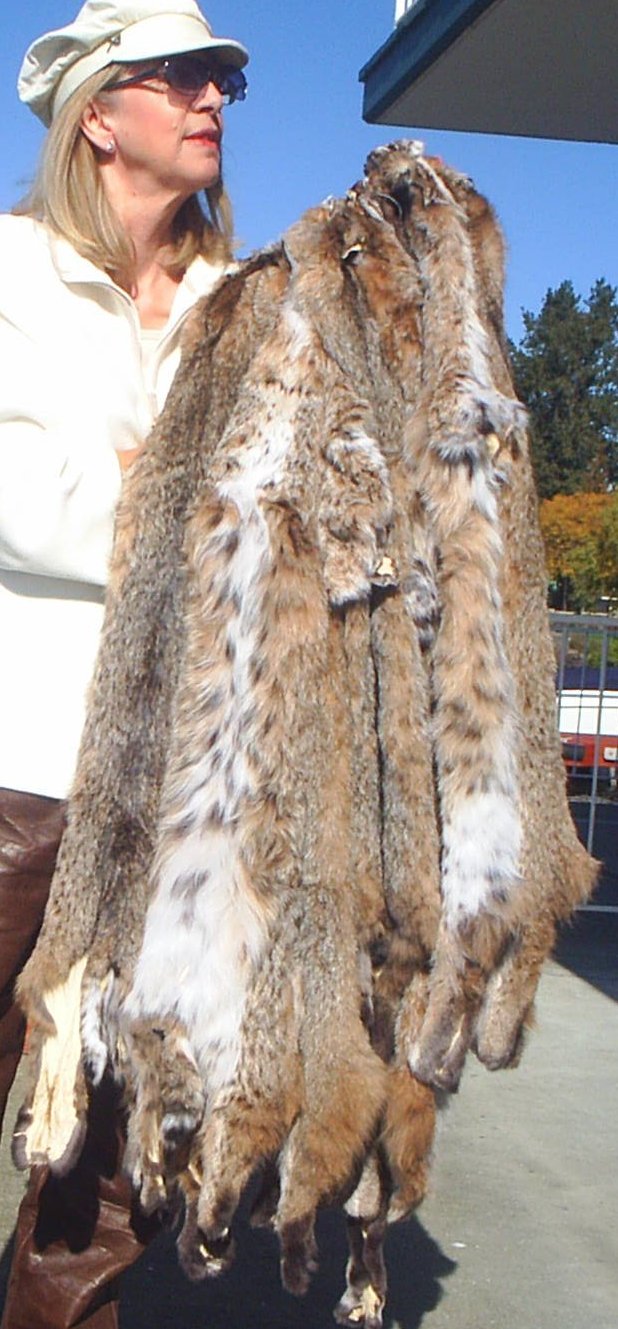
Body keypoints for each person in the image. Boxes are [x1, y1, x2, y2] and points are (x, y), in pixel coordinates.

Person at [0, 2, 248, 1324]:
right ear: (98, 113)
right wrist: (177, 504)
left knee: (125, 1155)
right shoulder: (7, 271)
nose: (213, 98)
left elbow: (282, 516)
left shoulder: (248, 308)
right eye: (182, 76)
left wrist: (133, 485)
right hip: (18, 766)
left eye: (223, 82)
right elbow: (16, 501)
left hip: (189, 795)